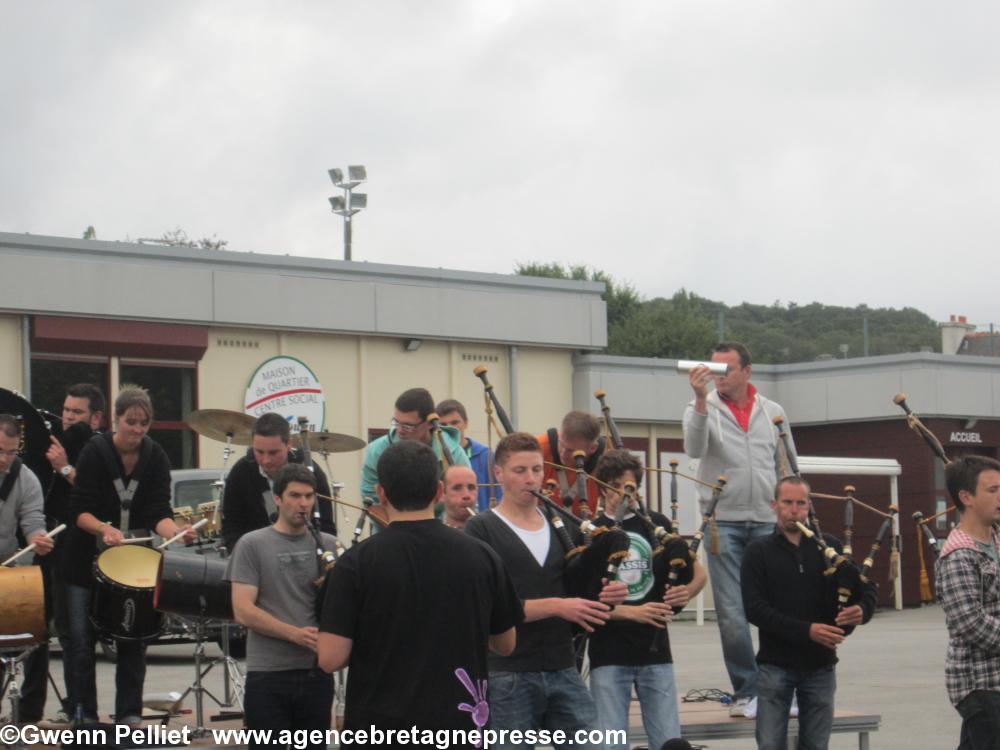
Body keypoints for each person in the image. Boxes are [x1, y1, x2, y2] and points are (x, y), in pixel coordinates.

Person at [318, 441, 521, 744]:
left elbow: (330, 658)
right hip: (459, 727)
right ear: (439, 491)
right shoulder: (483, 556)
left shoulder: (355, 564)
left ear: (382, 494)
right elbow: (505, 644)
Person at [465, 432, 627, 750]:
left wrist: (606, 593)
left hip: (563, 666)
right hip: (507, 674)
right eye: (520, 470)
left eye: (537, 470)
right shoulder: (480, 529)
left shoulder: (561, 525)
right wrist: (556, 606)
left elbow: (579, 590)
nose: (531, 479)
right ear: (498, 473)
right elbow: (483, 607)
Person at [62, 386, 195, 726]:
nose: (137, 430)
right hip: (83, 561)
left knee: (133, 639)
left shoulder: (156, 456)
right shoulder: (94, 452)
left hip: (131, 563)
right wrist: (103, 529)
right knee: (80, 642)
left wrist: (177, 532)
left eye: (144, 423)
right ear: (116, 420)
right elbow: (79, 511)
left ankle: (129, 714)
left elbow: (158, 512)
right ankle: (84, 716)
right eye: (130, 422)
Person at [682, 341, 794, 716]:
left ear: (747, 371)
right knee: (731, 611)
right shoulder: (703, 407)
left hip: (767, 518)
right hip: (723, 521)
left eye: (725, 370)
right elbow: (694, 448)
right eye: (712, 370)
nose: (717, 378)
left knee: (777, 607)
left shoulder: (773, 411)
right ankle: (747, 690)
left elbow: (787, 465)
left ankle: (778, 689)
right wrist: (699, 400)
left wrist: (792, 510)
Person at [741, 477, 876, 750]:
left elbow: (865, 588)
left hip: (820, 667)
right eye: (787, 502)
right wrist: (808, 631)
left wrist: (861, 610)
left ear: (809, 506)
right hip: (775, 667)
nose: (794, 510)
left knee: (816, 745)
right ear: (774, 505)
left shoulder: (830, 547)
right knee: (769, 745)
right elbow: (755, 609)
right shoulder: (758, 551)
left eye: (800, 503)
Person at [588, 450, 706, 749]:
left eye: (630, 486)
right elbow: (583, 601)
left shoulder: (657, 524)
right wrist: (630, 613)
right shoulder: (590, 531)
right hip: (609, 654)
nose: (625, 493)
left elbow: (699, 574)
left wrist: (687, 591)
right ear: (602, 487)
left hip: (656, 652)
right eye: (616, 485)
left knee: (668, 740)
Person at [227, 463, 337, 750]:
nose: (303, 504)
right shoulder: (252, 544)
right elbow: (242, 610)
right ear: (278, 499)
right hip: (269, 674)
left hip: (316, 673)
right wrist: (295, 634)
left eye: (309, 496)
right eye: (295, 496)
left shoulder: (328, 546)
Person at [30, 383, 105, 727]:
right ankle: (59, 706)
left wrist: (63, 467)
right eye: (66, 410)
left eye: (77, 412)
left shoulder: (97, 448)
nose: (68, 418)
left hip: (81, 558)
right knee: (52, 631)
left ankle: (83, 711)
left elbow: (97, 497)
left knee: (78, 636)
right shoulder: (55, 443)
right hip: (52, 552)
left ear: (95, 418)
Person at [936, 455, 1000, 749]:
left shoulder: (996, 540)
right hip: (980, 683)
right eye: (993, 490)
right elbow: (971, 623)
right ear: (966, 497)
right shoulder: (958, 555)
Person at [0, 414, 55, 722]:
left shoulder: (26, 478)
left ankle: (28, 714)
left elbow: (33, 521)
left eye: (11, 451)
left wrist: (38, 538)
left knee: (35, 631)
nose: (6, 459)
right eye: (0, 451)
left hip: (7, 571)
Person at [221, 411, 336, 552]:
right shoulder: (241, 471)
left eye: (273, 452)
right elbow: (231, 526)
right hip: (255, 556)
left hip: (304, 556)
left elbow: (326, 527)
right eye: (259, 452)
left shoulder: (310, 470)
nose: (266, 460)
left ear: (289, 444)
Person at [359, 388, 470, 506]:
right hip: (389, 523)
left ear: (428, 424)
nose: (399, 430)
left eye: (408, 426)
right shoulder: (376, 451)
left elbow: (465, 500)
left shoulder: (454, 455)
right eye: (396, 422)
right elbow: (370, 500)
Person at [537, 411, 607, 517]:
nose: (563, 453)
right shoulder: (538, 448)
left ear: (593, 448)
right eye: (561, 444)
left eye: (570, 450)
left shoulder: (606, 462)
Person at [437, 398, 501, 510]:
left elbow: (500, 497)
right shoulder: (434, 459)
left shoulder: (487, 457)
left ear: (466, 423)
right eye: (443, 425)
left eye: (454, 422)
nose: (449, 428)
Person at [442, 464, 478, 531]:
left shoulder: (489, 533)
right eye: (457, 488)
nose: (466, 495)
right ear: (442, 494)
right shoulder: (433, 536)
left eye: (471, 488)